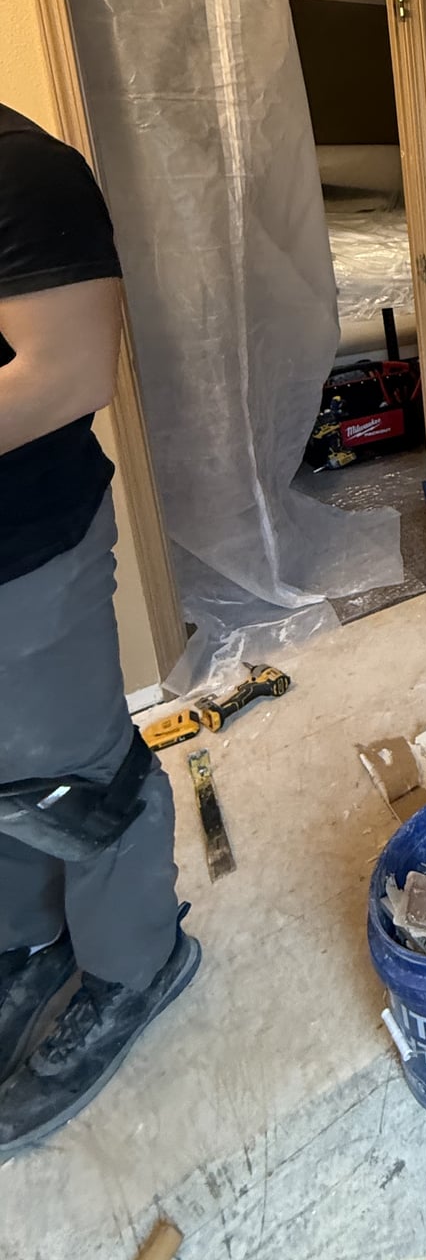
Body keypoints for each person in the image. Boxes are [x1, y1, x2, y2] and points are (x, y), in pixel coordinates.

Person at [0, 103, 199, 1158]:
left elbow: (67, 371)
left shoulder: (24, 173)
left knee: (73, 781)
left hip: (24, 544)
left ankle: (133, 963)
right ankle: (29, 942)